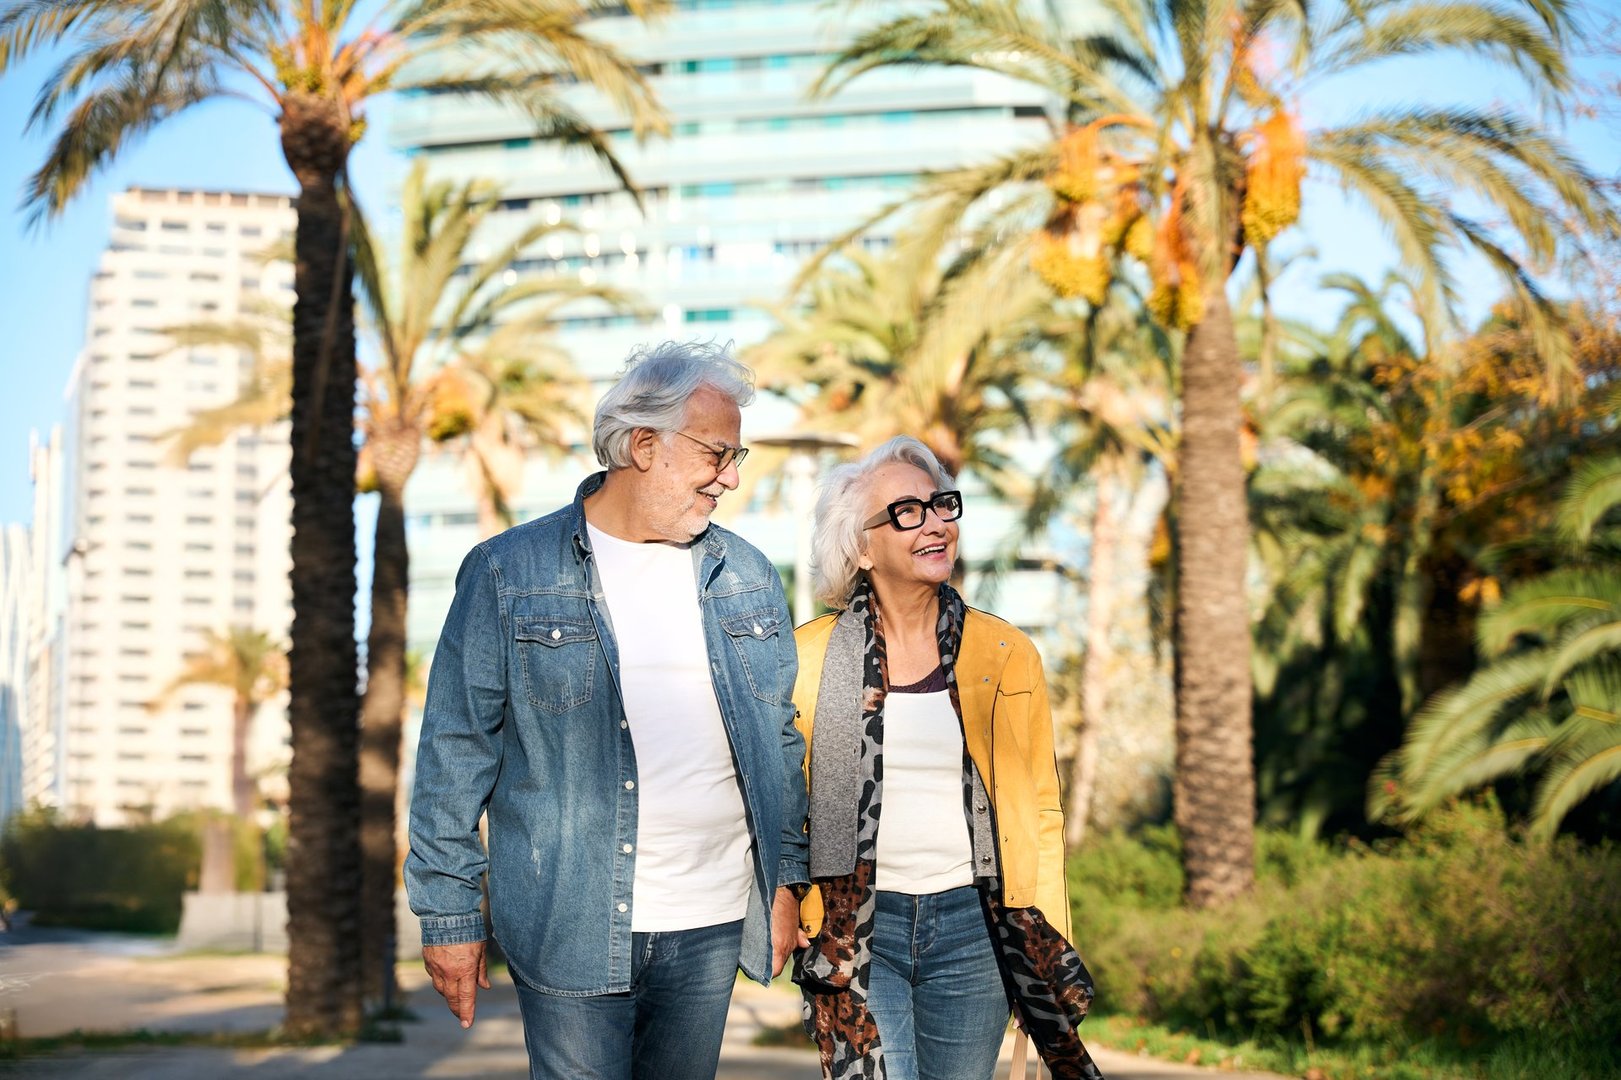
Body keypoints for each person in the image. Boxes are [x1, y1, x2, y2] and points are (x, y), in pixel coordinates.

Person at [405, 341, 809, 1080]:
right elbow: (454, 753)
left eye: (736, 456)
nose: (729, 477)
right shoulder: (508, 572)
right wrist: (450, 916)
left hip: (712, 918)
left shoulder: (745, 574)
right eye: (717, 453)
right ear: (644, 444)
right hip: (570, 915)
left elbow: (779, 741)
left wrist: (784, 882)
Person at [791, 436, 1102, 1080]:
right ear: (860, 546)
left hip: (974, 928)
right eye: (906, 511)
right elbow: (782, 803)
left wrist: (1042, 948)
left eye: (941, 506)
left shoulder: (1007, 654)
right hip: (858, 930)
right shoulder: (806, 661)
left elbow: (1040, 808)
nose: (934, 523)